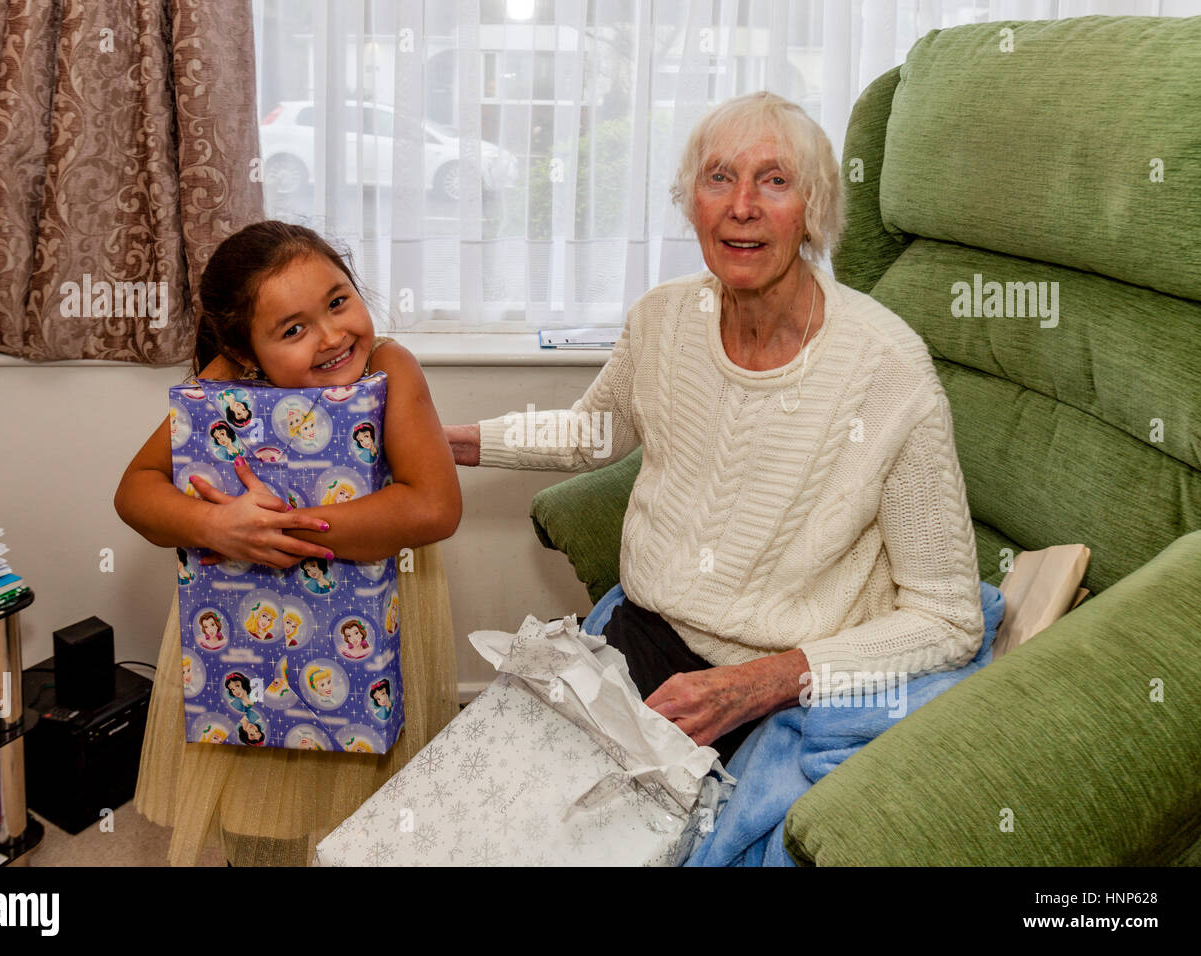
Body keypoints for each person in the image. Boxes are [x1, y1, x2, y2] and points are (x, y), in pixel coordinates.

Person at [444, 91, 984, 767]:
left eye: (775, 180)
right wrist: (450, 444)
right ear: (691, 200)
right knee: (485, 789)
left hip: (787, 690)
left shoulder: (889, 370)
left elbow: (950, 620)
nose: (742, 207)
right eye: (719, 177)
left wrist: (755, 685)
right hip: (646, 639)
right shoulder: (661, 319)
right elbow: (592, 434)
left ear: (814, 210)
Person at [116, 220, 463, 866]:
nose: (332, 335)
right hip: (247, 630)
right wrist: (214, 525)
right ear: (248, 352)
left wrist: (285, 530)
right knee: (259, 800)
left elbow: (434, 506)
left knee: (371, 802)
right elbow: (133, 490)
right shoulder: (227, 383)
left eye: (338, 301)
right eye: (293, 329)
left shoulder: (390, 368)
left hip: (372, 616)